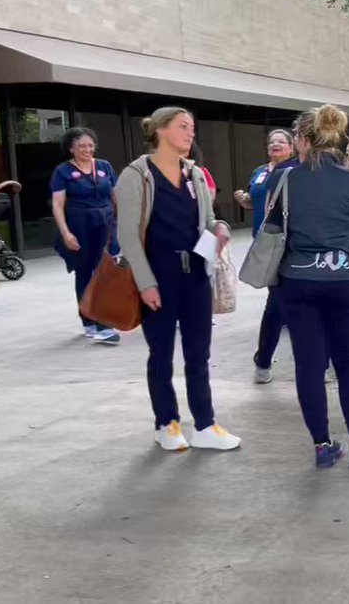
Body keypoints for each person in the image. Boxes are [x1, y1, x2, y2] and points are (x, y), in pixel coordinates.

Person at [115, 107, 240, 452]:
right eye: (183, 126)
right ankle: (166, 423)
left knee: (198, 353)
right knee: (161, 353)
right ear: (160, 130)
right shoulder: (136, 175)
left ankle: (204, 424)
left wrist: (221, 229)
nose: (190, 133)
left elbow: (210, 218)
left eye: (193, 128)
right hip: (159, 276)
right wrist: (145, 283)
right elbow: (127, 235)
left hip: (196, 273)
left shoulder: (195, 174)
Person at [266, 104, 349, 469]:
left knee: (308, 365)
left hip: (298, 282)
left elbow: (271, 231)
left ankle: (322, 447)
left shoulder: (284, 180)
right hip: (344, 280)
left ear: (302, 140)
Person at [235, 129, 299, 384]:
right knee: (279, 303)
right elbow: (256, 201)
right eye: (272, 142)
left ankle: (264, 361)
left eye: (281, 142)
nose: (275, 145)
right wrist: (245, 200)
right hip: (265, 241)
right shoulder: (260, 172)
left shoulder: (297, 171)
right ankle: (266, 361)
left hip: (288, 243)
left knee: (279, 303)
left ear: (292, 147)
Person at [50, 127, 122, 344]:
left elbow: (115, 195)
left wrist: (123, 223)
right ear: (71, 148)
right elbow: (58, 204)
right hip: (79, 228)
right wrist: (66, 233)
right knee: (84, 273)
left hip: (106, 226)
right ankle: (91, 321)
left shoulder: (104, 166)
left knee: (105, 271)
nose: (88, 149)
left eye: (91, 145)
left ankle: (102, 322)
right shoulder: (62, 172)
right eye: (82, 146)